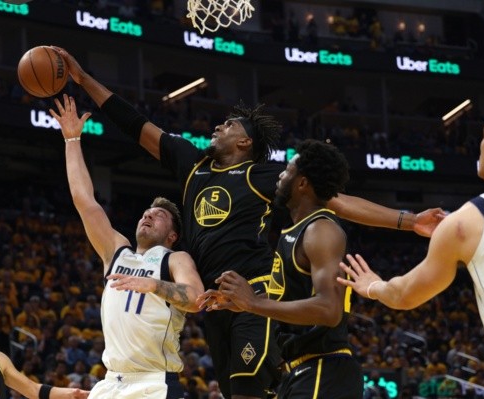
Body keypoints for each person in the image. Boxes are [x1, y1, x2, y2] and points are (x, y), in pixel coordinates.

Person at [53, 46, 445, 399]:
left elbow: (336, 201)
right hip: (214, 303)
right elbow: (134, 124)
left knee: (245, 391)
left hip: (253, 294)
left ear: (245, 144)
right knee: (241, 391)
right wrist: (83, 79)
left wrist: (409, 221)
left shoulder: (263, 176)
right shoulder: (192, 165)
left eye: (229, 126)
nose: (218, 127)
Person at [337, 102, 484, 399]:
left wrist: (373, 285)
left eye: (481, 138)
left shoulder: (467, 222)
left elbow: (404, 295)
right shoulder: (465, 221)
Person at [49, 95, 204, 399]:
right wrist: (71, 140)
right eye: (147, 211)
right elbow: (85, 201)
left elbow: (196, 298)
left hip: (154, 382)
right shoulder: (117, 250)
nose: (148, 215)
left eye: (159, 216)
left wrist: (154, 285)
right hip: (110, 383)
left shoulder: (174, 259)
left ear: (172, 236)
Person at [196, 140, 363, 398]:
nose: (280, 176)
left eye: (286, 171)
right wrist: (241, 301)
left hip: (323, 368)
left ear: (302, 183)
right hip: (299, 370)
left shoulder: (320, 230)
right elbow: (289, 299)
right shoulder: (296, 232)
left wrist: (253, 304)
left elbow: (330, 310)